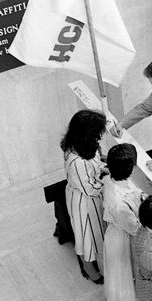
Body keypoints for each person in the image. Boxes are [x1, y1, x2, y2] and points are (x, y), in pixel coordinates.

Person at [101, 143, 145, 301]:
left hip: (119, 234)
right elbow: (135, 227)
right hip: (120, 239)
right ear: (132, 168)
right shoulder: (120, 204)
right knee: (116, 278)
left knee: (129, 275)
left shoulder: (111, 179)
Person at [61, 109, 107, 283]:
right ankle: (89, 269)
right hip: (82, 201)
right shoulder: (75, 161)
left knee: (97, 233)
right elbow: (89, 188)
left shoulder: (89, 145)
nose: (100, 137)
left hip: (93, 197)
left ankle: (97, 261)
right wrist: (109, 180)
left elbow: (96, 165)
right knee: (86, 236)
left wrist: (103, 168)